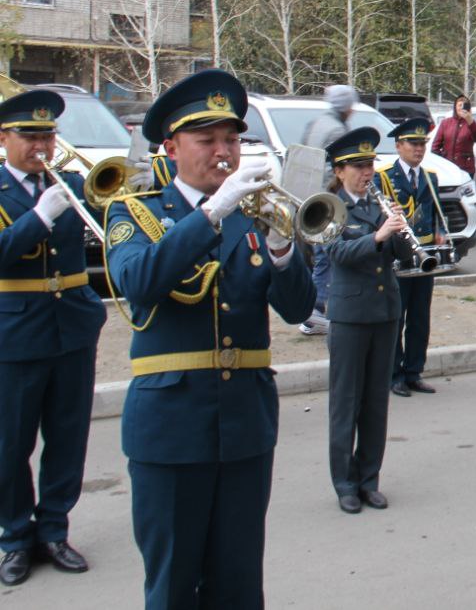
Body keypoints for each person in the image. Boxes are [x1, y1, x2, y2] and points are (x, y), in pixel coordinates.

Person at [105, 69, 316, 608]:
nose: (224, 152)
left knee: (239, 582)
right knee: (173, 582)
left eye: (232, 139)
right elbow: (140, 284)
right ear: (172, 146)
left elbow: (296, 310)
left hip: (245, 424)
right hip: (171, 428)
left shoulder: (255, 215)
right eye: (208, 140)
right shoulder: (135, 213)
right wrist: (213, 211)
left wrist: (282, 248)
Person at [0, 90, 106, 588]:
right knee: (9, 443)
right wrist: (39, 216)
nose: (41, 145)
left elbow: (115, 220)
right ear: (5, 139)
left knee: (67, 439)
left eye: (48, 135)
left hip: (73, 329)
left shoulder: (74, 182)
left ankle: (55, 530)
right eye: (30, 136)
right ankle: (16, 537)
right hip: (15, 332)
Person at [325, 127, 416, 514]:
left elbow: (404, 258)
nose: (367, 173)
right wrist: (379, 236)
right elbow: (337, 253)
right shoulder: (328, 206)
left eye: (370, 165)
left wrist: (400, 231)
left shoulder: (382, 203)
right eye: (359, 166)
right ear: (340, 169)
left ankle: (369, 479)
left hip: (384, 312)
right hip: (350, 315)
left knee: (376, 402)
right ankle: (345, 483)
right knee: (346, 402)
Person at [377, 119, 446, 399]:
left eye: (423, 144)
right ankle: (394, 374)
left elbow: (435, 212)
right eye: (413, 144)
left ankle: (414, 371)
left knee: (420, 317)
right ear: (398, 146)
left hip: (425, 255)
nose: (419, 149)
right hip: (400, 254)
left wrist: (441, 234)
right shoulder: (383, 177)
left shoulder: (431, 176)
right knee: (397, 316)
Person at [299, 84, 358, 336]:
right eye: (351, 106)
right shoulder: (336, 129)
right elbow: (334, 170)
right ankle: (315, 312)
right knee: (325, 255)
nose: (352, 111)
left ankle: (313, 308)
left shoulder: (317, 123)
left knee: (317, 256)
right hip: (325, 204)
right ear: (345, 107)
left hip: (308, 199)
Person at [431, 94, 476, 176]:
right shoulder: (446, 122)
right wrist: (443, 160)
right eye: (459, 105)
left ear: (468, 107)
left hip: (465, 168)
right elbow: (435, 147)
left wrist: (470, 120)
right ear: (455, 107)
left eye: (464, 105)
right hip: (447, 167)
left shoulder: (472, 124)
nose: (461, 107)